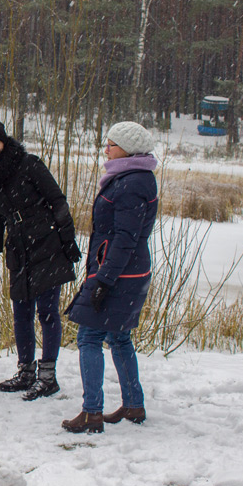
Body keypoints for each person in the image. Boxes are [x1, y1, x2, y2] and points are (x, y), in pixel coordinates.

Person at [62, 121, 158, 434]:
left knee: (89, 337)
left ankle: (92, 413)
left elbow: (125, 238)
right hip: (127, 271)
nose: (106, 149)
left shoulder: (131, 184)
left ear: (127, 149)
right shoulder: (132, 178)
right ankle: (133, 404)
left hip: (118, 273)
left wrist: (104, 279)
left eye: (111, 144)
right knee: (119, 337)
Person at [0, 120, 81, 401]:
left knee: (47, 312)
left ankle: (48, 376)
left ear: (5, 142)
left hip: (46, 241)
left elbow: (57, 201)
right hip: (18, 246)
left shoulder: (29, 164)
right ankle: (26, 372)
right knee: (21, 311)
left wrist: (68, 240)